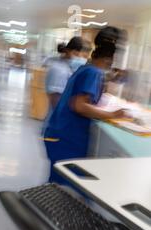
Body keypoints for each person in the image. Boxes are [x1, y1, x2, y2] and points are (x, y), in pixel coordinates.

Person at [43, 29, 128, 184]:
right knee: (65, 187)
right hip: (67, 138)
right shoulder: (93, 73)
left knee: (59, 183)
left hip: (59, 133)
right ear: (111, 59)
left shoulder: (87, 69)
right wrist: (113, 115)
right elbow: (79, 105)